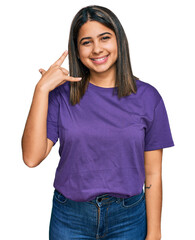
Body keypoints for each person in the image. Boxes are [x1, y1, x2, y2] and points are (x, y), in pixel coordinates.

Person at [21, 5, 174, 240]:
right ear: (77, 49)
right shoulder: (61, 95)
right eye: (86, 42)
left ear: (118, 41)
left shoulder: (148, 98)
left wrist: (154, 233)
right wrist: (41, 89)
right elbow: (31, 158)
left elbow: (153, 173)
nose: (97, 49)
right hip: (70, 217)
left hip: (129, 219)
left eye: (104, 38)